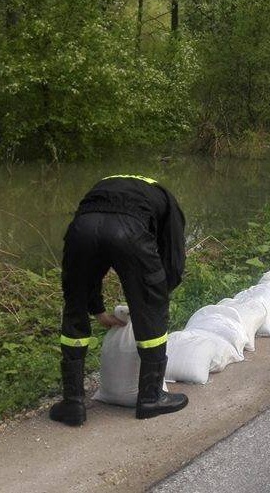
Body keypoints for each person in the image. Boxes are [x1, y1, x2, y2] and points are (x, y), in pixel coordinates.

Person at [50, 175, 189, 426]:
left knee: (74, 305)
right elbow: (173, 258)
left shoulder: (107, 184)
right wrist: (156, 296)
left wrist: (97, 310)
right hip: (129, 228)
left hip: (82, 228)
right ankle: (150, 398)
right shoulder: (168, 203)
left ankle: (72, 403)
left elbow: (87, 272)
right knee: (151, 308)